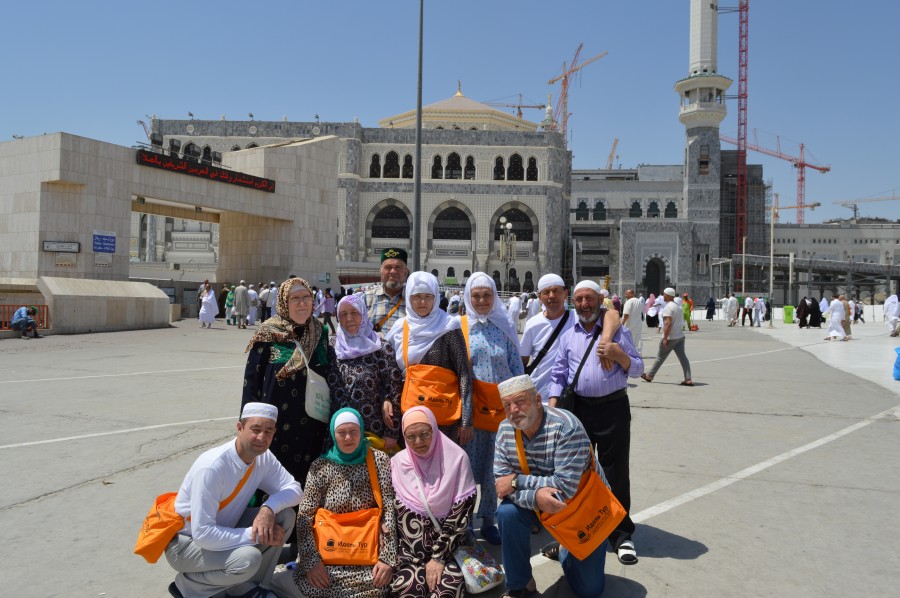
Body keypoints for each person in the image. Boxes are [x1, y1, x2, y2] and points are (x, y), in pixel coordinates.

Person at [547, 280, 644, 566]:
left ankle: (621, 534)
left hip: (613, 408)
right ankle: (578, 530)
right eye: (579, 300)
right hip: (579, 411)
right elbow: (558, 375)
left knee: (615, 472)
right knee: (576, 474)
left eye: (588, 299)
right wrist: (553, 409)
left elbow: (638, 368)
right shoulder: (568, 336)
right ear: (572, 302)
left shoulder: (616, 332)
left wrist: (620, 355)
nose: (584, 305)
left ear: (598, 301)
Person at [164, 402, 302, 598]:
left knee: (284, 515)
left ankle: (250, 587)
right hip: (186, 545)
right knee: (248, 559)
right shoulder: (212, 467)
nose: (261, 437)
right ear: (240, 428)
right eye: (255, 430)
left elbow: (295, 490)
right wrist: (256, 535)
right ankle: (188, 587)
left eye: (268, 431)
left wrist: (268, 508)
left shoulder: (263, 457)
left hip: (222, 530)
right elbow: (203, 534)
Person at [494, 375, 611, 598]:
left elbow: (565, 489)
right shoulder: (504, 430)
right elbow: (501, 484)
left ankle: (564, 550)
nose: (514, 410)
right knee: (507, 513)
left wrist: (518, 482)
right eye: (507, 405)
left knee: (590, 590)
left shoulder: (566, 427)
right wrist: (537, 497)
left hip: (581, 504)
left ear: (538, 400)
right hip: (540, 504)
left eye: (520, 401)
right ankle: (520, 584)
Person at [291, 409, 397, 598]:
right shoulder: (320, 467)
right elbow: (304, 517)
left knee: (380, 585)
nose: (348, 437)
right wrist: (311, 562)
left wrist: (387, 559)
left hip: (367, 556)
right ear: (333, 434)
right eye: (342, 432)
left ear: (361, 431)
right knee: (314, 585)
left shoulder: (378, 460)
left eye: (354, 431)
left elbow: (389, 508)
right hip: (328, 557)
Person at [242, 277, 333, 486]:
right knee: (271, 480)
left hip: (313, 424)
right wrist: (249, 423)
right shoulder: (268, 333)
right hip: (275, 424)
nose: (302, 303)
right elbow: (251, 381)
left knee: (307, 481)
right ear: (284, 302)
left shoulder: (321, 332)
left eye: (306, 297)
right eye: (295, 299)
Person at [459, 272, 524, 545]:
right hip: (470, 413)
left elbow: (517, 367)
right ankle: (462, 523)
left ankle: (488, 519)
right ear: (468, 297)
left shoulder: (504, 326)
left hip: (501, 413)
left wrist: (521, 406)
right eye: (476, 296)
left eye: (487, 295)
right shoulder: (460, 328)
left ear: (495, 296)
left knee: (494, 469)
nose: (482, 300)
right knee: (465, 468)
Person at [391, 407, 477, 598]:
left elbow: (461, 515)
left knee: (447, 590)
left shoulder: (457, 459)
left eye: (424, 434)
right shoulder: (397, 463)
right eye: (410, 436)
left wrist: (438, 557)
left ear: (435, 430)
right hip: (408, 554)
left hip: (449, 552)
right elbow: (389, 511)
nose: (418, 442)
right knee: (408, 589)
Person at [385, 271, 473, 445]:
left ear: (436, 298)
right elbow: (388, 370)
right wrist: (386, 398)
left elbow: (464, 372)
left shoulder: (449, 326)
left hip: (443, 415)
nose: (423, 302)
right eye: (417, 297)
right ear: (408, 298)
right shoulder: (399, 328)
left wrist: (466, 420)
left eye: (428, 296)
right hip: (410, 414)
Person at [327, 294, 403, 452]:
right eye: (343, 314)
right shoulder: (331, 346)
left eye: (354, 313)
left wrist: (392, 432)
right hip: (339, 433)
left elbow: (394, 389)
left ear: (363, 314)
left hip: (373, 432)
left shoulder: (380, 347)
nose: (349, 318)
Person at [642, 287, 692, 386]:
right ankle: (688, 378)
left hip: (670, 338)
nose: (663, 296)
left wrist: (665, 338)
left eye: (664, 294)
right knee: (683, 357)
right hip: (680, 337)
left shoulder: (668, 308)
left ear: (668, 295)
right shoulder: (678, 306)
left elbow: (668, 324)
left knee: (660, 357)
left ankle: (649, 375)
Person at [365, 248, 409, 335]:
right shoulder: (367, 298)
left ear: (405, 273)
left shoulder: (413, 300)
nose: (393, 271)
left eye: (398, 267)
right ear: (381, 273)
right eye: (388, 267)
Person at [622, 289, 643, 354]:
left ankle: (630, 353)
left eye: (627, 294)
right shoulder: (638, 301)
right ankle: (638, 353)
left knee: (628, 339)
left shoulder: (629, 302)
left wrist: (622, 323)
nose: (625, 295)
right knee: (637, 339)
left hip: (630, 324)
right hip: (638, 323)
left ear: (632, 294)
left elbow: (626, 314)